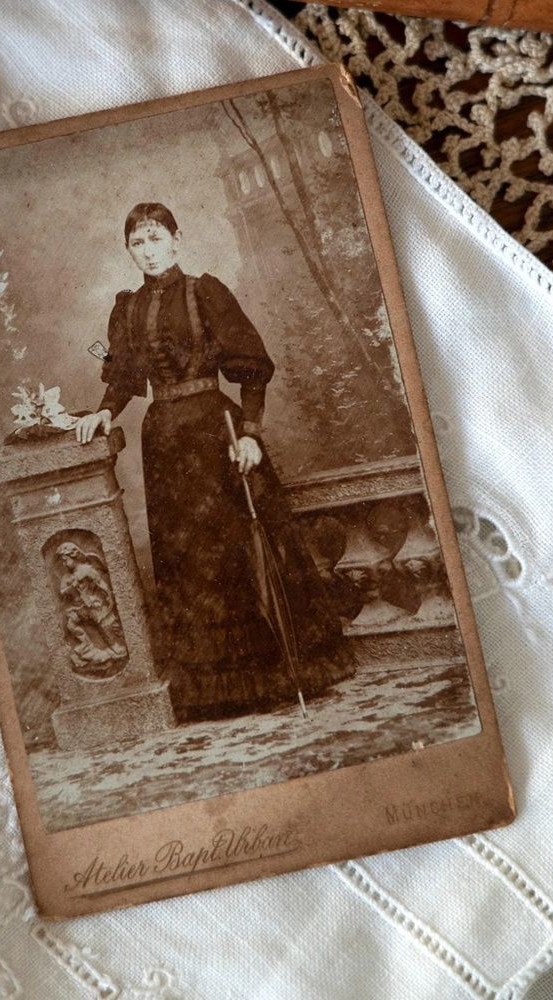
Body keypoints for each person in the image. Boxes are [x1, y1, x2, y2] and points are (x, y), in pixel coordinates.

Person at [75, 203, 342, 721]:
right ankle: (216, 692)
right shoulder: (126, 308)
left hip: (214, 433)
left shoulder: (205, 292)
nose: (148, 251)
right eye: (137, 243)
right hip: (164, 444)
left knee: (238, 550)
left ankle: (275, 676)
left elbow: (251, 368)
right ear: (128, 250)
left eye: (156, 238)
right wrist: (104, 412)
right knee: (189, 560)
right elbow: (123, 375)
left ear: (176, 240)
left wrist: (251, 434)